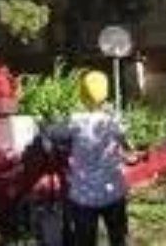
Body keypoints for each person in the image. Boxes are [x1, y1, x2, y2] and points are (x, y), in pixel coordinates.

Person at [49, 70, 129, 246]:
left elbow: (52, 132)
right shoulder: (114, 121)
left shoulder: (75, 121)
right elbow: (125, 141)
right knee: (118, 239)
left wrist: (45, 125)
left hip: (84, 197)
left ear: (82, 93)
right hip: (113, 193)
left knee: (85, 241)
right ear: (106, 93)